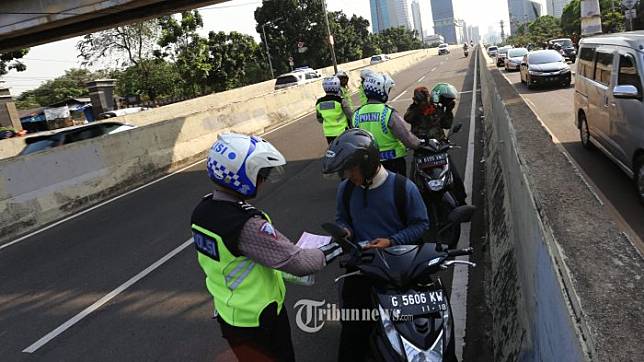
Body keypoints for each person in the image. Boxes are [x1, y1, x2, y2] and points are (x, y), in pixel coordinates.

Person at [191, 133, 342, 362]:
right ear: (241, 176)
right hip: (259, 319)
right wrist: (338, 248)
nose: (263, 180)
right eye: (261, 174)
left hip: (230, 313)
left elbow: (237, 262)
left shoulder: (203, 211)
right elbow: (300, 263)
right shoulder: (245, 224)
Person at [321, 128, 430, 362]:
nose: (349, 175)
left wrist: (391, 241)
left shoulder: (403, 188)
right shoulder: (346, 189)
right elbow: (342, 218)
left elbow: (421, 224)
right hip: (364, 264)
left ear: (368, 164)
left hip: (400, 265)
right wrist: (345, 230)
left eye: (352, 169)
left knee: (418, 325)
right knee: (353, 325)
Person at [352, 71, 423, 176]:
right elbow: (408, 139)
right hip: (393, 164)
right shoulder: (387, 113)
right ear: (381, 91)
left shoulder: (356, 114)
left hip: (370, 165)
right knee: (402, 190)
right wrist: (420, 143)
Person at [316, 76, 353, 144]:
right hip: (342, 132)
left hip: (328, 133)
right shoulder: (341, 101)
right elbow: (350, 116)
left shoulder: (319, 102)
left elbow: (320, 119)